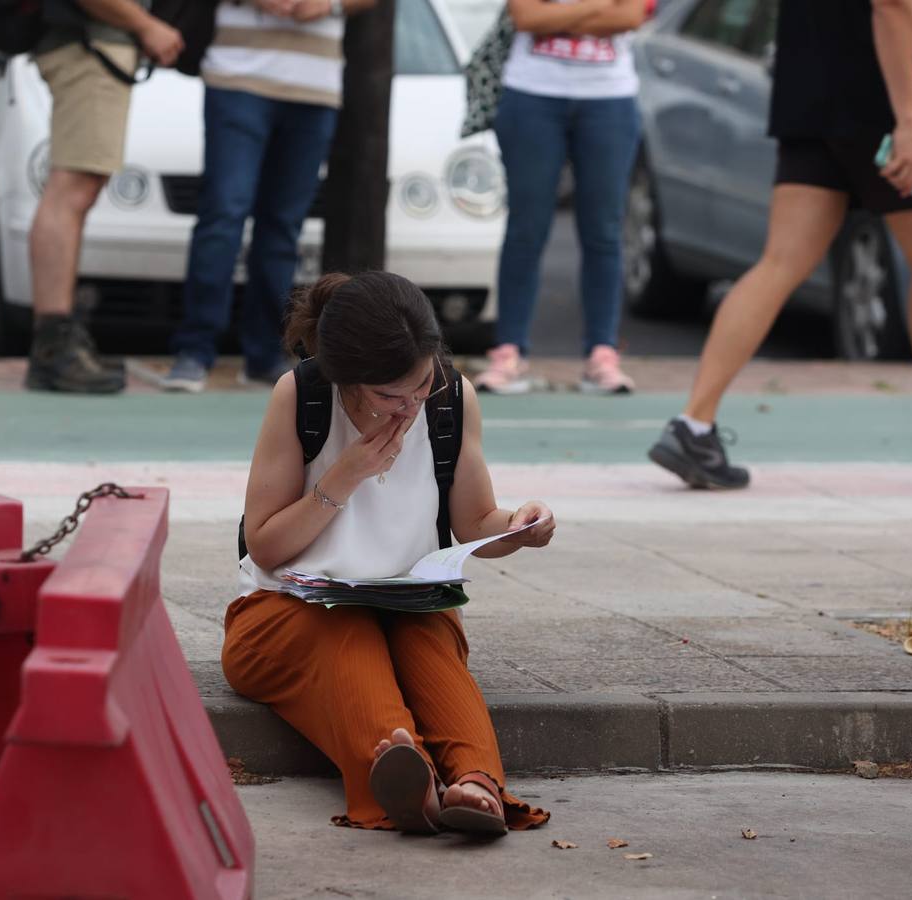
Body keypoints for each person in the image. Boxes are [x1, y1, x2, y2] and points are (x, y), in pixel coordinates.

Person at [647, 0, 912, 490]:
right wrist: (909, 124)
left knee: (780, 262)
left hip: (809, 97)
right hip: (881, 100)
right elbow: (893, 5)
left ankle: (694, 423)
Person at [223, 270, 556, 833]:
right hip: (286, 608)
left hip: (407, 600)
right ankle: (408, 782)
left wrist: (517, 528)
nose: (408, 408)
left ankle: (477, 784)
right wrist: (343, 476)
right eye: (387, 396)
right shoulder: (301, 395)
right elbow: (267, 545)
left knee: (431, 646)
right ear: (344, 377)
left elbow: (475, 520)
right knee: (348, 637)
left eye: (419, 386)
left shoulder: (452, 396)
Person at [161, 0, 374, 394]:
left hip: (315, 87)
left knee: (283, 226)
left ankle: (265, 354)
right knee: (224, 214)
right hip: (236, 76)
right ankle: (194, 350)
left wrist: (329, 4)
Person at [474, 0, 649, 396]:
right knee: (526, 228)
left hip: (610, 98)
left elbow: (630, 16)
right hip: (532, 94)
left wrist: (561, 15)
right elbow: (527, 16)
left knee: (604, 230)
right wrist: (598, 7)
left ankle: (602, 353)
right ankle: (509, 351)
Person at [26, 0, 184, 393]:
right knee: (72, 189)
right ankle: (54, 346)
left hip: (88, 43)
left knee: (77, 189)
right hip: (88, 45)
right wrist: (146, 25)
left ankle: (56, 341)